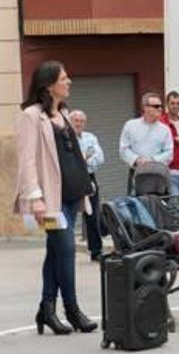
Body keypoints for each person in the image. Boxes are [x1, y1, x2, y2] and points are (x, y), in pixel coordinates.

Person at [14, 61, 96, 335]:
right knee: (67, 251)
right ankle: (72, 310)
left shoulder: (64, 112)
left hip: (72, 196)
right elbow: (26, 161)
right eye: (64, 78)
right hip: (49, 201)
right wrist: (35, 197)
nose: (69, 81)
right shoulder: (31, 116)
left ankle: (46, 310)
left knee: (56, 252)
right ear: (49, 84)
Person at [119, 92, 173, 193]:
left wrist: (152, 161)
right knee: (136, 205)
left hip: (159, 175)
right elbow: (124, 149)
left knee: (158, 206)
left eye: (161, 106)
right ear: (145, 108)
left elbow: (169, 152)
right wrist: (137, 160)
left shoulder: (165, 129)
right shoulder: (130, 126)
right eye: (156, 106)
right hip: (137, 173)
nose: (160, 109)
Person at [69, 110, 105, 262]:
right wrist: (85, 158)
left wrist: (83, 161)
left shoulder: (91, 137)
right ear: (70, 122)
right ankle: (67, 251)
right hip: (70, 179)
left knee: (92, 215)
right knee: (69, 215)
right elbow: (69, 162)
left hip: (89, 178)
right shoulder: (65, 138)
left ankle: (96, 251)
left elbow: (100, 158)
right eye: (75, 120)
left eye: (81, 121)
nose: (78, 124)